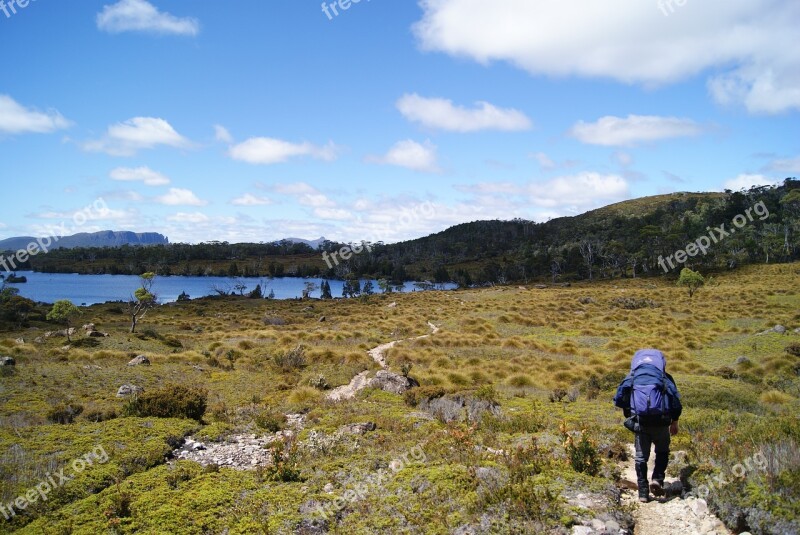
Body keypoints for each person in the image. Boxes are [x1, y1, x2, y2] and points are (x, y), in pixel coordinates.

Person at [613, 348, 682, 503]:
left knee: (640, 457)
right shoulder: (665, 378)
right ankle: (657, 478)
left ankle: (643, 492)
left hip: (641, 423)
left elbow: (618, 399)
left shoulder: (632, 377)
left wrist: (630, 411)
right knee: (662, 452)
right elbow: (676, 402)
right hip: (662, 422)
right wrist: (674, 421)